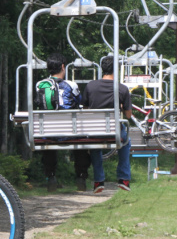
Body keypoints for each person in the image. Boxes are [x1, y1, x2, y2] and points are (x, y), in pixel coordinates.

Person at [36, 52, 91, 192]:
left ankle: (51, 177)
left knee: (48, 145)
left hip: (48, 132)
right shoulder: (71, 85)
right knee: (82, 142)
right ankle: (80, 176)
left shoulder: (40, 85)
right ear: (62, 67)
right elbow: (79, 103)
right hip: (70, 132)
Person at [80, 55, 131, 193]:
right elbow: (128, 115)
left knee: (96, 146)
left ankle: (98, 181)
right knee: (126, 141)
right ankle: (123, 178)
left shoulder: (91, 86)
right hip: (114, 131)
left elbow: (85, 109)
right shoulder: (122, 89)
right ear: (116, 69)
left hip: (95, 131)